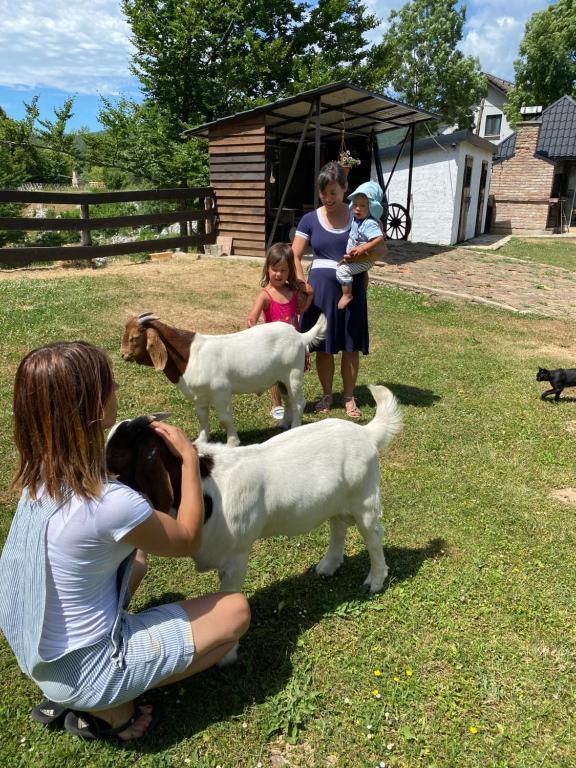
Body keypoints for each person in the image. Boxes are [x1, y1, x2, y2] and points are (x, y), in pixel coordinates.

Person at [0, 341, 250, 742]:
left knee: (135, 559)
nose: (118, 388)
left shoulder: (35, 479)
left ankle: (71, 693)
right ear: (96, 409)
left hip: (35, 652)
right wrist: (187, 458)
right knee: (234, 612)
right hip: (88, 672)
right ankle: (110, 710)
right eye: (111, 384)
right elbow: (186, 537)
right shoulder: (110, 503)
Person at [292, 162, 386, 419]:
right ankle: (326, 394)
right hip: (320, 291)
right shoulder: (310, 219)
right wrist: (303, 284)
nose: (328, 198)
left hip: (351, 288)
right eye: (323, 192)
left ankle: (348, 396)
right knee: (324, 346)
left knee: (350, 345)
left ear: (345, 188)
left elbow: (380, 249)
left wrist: (365, 259)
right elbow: (295, 255)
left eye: (333, 192)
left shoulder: (360, 215)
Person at [247, 242, 313, 421]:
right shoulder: (265, 295)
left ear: (290, 271)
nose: (278, 274)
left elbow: (300, 310)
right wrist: (252, 326)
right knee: (275, 378)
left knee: (293, 376)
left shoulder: (292, 292)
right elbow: (252, 316)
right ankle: (277, 405)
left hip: (292, 345)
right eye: (274, 269)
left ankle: (293, 402)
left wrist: (310, 294)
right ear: (267, 269)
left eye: (283, 270)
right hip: (275, 346)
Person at [336, 181, 385, 311]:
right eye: (355, 204)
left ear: (372, 208)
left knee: (342, 271)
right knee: (344, 267)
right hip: (355, 256)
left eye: (363, 206)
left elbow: (379, 238)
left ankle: (347, 295)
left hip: (365, 258)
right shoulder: (357, 220)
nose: (358, 208)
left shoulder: (370, 223)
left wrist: (363, 248)